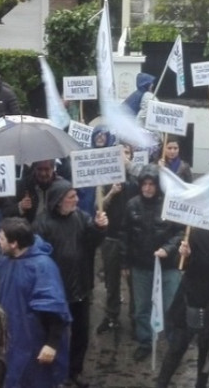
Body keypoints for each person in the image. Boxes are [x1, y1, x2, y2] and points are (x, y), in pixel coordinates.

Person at [33, 180, 108, 387]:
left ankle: (75, 371)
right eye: (71, 196)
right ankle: (54, 373)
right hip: (54, 291)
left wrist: (100, 228)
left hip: (80, 288)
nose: (76, 199)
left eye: (76, 195)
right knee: (53, 335)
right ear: (58, 201)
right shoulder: (41, 223)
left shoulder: (82, 218)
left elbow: (93, 242)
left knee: (80, 334)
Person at [0, 217, 71, 388]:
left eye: (1, 238)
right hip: (12, 339)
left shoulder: (43, 267)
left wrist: (51, 344)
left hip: (34, 342)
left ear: (14, 243)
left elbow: (55, 310)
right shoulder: (6, 260)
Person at [157, 223, 209, 388]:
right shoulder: (196, 233)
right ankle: (161, 384)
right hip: (191, 301)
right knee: (177, 348)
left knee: (206, 352)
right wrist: (185, 255)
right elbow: (180, 265)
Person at [122, 165, 184, 362]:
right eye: (145, 184)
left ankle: (174, 346)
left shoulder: (169, 205)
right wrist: (124, 263)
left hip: (167, 267)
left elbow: (181, 232)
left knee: (171, 308)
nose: (148, 188)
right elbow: (125, 235)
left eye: (152, 184)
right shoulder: (132, 205)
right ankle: (145, 342)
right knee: (142, 308)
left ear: (158, 186)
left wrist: (168, 248)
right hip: (141, 266)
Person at [95, 144, 140, 336]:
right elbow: (99, 208)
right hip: (111, 238)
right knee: (112, 282)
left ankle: (136, 319)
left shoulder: (137, 180)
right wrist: (112, 193)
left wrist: (129, 166)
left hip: (132, 240)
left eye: (127, 153)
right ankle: (112, 316)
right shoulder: (106, 180)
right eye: (119, 153)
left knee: (134, 283)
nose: (123, 156)